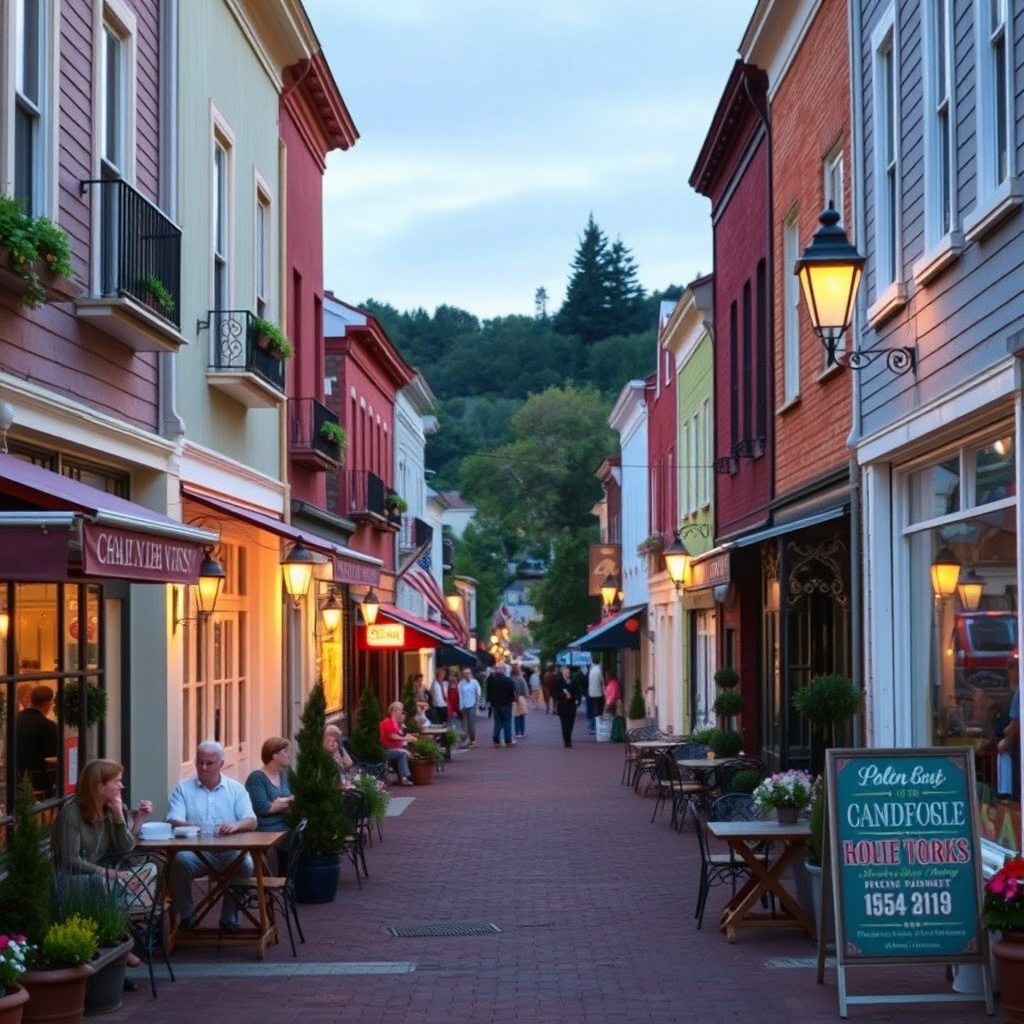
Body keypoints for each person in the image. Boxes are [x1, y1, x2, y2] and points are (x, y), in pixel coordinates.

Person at [52, 758, 154, 977]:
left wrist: (120, 816)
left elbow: (126, 848)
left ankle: (120, 951)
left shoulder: (112, 808)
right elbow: (70, 859)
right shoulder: (72, 814)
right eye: (116, 781)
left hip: (104, 874)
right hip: (71, 879)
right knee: (104, 883)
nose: (121, 786)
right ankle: (123, 946)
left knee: (151, 871)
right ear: (99, 786)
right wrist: (108, 873)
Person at [167, 740, 257, 931]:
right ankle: (187, 916)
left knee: (246, 864)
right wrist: (197, 827)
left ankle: (229, 917)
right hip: (196, 852)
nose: (204, 767)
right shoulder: (183, 788)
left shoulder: (235, 789)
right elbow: (174, 820)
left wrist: (234, 826)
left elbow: (251, 820)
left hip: (229, 852)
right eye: (200, 762)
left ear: (221, 764)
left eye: (209, 763)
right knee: (179, 862)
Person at [245, 737, 295, 872]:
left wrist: (280, 803)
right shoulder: (256, 778)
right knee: (293, 836)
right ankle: (279, 881)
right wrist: (284, 803)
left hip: (284, 822)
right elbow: (262, 808)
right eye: (285, 751)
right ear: (275, 755)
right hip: (266, 826)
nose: (288, 755)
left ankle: (288, 880)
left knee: (301, 832)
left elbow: (294, 798)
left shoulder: (283, 775)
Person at [16, 683, 59, 797]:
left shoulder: (15, 719)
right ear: (47, 704)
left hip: (16, 775)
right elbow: (54, 756)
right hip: (38, 780)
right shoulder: (47, 726)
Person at [997, 654, 1020, 799]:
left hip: (1018, 748)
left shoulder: (1020, 690)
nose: (1009, 673)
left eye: (1012, 669)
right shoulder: (1012, 690)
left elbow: (1017, 722)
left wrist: (1005, 742)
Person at [379, 701, 415, 785]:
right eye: (398, 710)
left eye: (401, 710)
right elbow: (393, 736)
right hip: (386, 749)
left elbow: (403, 734)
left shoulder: (397, 723)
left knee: (406, 752)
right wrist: (407, 739)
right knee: (402, 754)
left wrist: (410, 736)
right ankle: (404, 777)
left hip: (395, 748)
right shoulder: (387, 722)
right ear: (392, 711)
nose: (400, 712)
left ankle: (404, 776)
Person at [487, 661, 516, 747]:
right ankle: (508, 740)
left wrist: (490, 701)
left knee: (497, 722)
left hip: (495, 704)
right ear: (503, 670)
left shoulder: (491, 680)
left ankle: (496, 740)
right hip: (506, 704)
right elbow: (512, 692)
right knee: (507, 721)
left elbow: (489, 692)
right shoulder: (507, 680)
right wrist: (512, 699)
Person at [553, 665, 582, 748]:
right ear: (562, 673)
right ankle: (567, 741)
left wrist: (576, 700)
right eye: (565, 672)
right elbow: (555, 694)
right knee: (564, 724)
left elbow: (578, 692)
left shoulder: (574, 681)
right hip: (562, 706)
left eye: (568, 672)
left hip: (571, 706)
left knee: (570, 724)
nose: (567, 674)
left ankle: (568, 738)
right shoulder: (558, 682)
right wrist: (563, 695)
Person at [457, 667, 481, 748]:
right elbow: (460, 695)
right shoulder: (461, 684)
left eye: (468, 673)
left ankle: (473, 739)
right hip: (464, 705)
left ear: (471, 674)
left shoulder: (474, 682)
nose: (467, 675)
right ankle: (467, 739)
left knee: (471, 724)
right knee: (464, 724)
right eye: (465, 673)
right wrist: (460, 706)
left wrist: (477, 704)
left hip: (472, 704)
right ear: (463, 675)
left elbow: (478, 692)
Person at [510, 664, 529, 738]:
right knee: (522, 716)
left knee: (516, 716)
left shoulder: (510, 679)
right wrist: (526, 695)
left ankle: (517, 733)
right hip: (521, 698)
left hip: (513, 699)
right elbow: (525, 690)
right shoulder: (521, 679)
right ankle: (522, 732)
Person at [587, 660, 606, 735]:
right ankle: (596, 727)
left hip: (591, 693)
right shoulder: (599, 670)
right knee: (598, 712)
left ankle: (592, 727)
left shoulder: (591, 670)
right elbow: (602, 682)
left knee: (593, 711)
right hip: (598, 694)